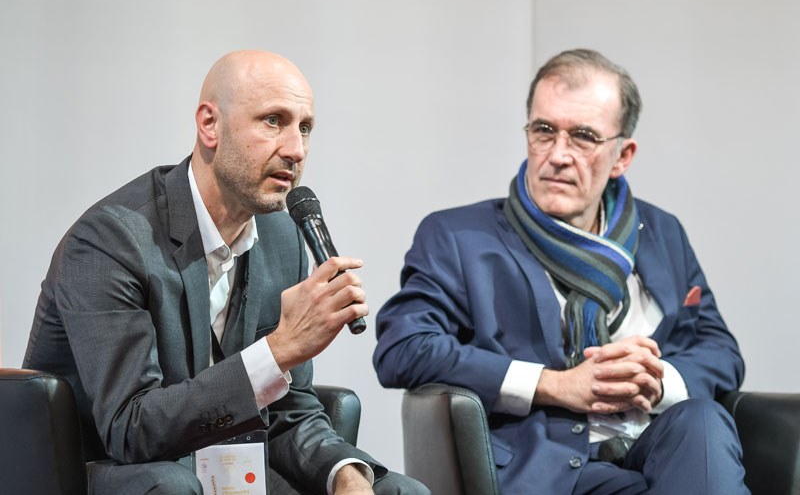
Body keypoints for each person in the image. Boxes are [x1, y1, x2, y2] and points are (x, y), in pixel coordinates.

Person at [24, 50, 429, 495]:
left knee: (398, 491)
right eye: (273, 121)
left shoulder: (281, 236)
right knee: (172, 486)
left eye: (304, 127)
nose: (295, 150)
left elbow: (290, 410)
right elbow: (131, 429)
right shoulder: (111, 239)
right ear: (210, 125)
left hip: (226, 469)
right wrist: (279, 350)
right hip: (113, 473)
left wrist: (346, 475)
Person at [373, 49, 748, 494]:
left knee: (703, 420)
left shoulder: (662, 232)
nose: (558, 155)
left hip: (659, 448)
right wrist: (556, 385)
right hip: (547, 467)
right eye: (544, 131)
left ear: (623, 155)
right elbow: (404, 348)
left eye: (583, 137)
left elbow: (719, 349)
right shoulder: (458, 236)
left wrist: (654, 379)